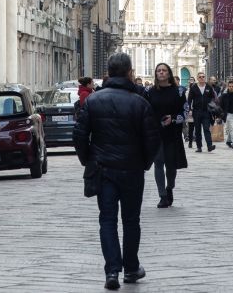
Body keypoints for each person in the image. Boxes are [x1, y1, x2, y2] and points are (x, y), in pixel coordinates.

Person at [74, 52, 160, 290]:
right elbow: (153, 140)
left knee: (107, 220)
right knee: (131, 220)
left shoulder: (93, 100)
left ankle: (112, 270)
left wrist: (88, 160)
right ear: (130, 73)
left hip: (103, 169)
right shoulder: (140, 103)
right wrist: (144, 162)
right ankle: (131, 268)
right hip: (131, 170)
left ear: (109, 73)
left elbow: (80, 135)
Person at [143, 62, 188, 208]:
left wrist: (173, 118)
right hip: (156, 133)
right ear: (156, 74)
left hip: (173, 133)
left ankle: (170, 188)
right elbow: (145, 111)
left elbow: (185, 112)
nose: (161, 73)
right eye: (158, 71)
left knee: (171, 165)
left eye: (164, 70)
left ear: (168, 73)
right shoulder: (149, 92)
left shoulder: (179, 91)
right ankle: (162, 195)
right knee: (158, 163)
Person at [186, 72, 217, 152]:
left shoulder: (208, 87)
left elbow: (213, 98)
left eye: (203, 76)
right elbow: (189, 100)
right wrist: (189, 109)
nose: (202, 78)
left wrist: (213, 107)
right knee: (197, 130)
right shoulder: (194, 87)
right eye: (200, 77)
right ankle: (199, 147)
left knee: (207, 129)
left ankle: (209, 146)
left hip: (206, 111)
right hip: (196, 111)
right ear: (197, 78)